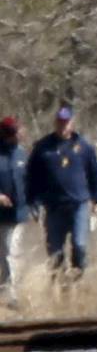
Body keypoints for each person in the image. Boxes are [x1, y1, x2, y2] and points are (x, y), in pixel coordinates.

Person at [26, 105, 97, 277]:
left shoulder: (84, 146)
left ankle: (78, 277)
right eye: (60, 122)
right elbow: (32, 176)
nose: (63, 126)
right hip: (54, 207)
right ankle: (59, 284)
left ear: (72, 123)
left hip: (79, 205)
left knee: (79, 244)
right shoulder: (43, 147)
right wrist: (32, 201)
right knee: (55, 250)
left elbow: (96, 173)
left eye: (66, 122)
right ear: (55, 123)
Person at [0, 117, 32, 298]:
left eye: (19, 131)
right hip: (1, 215)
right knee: (5, 253)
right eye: (14, 132)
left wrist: (34, 204)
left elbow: (30, 181)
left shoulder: (22, 154)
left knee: (12, 252)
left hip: (19, 214)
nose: (19, 135)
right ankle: (6, 289)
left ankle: (11, 294)